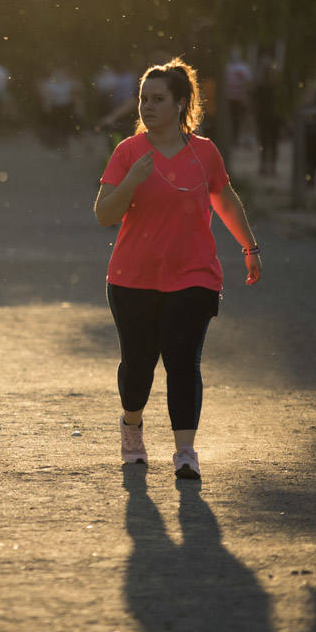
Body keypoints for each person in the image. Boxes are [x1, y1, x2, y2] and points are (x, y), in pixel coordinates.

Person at [93, 58, 261, 479]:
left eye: (158, 99)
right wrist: (132, 179)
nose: (147, 107)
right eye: (143, 99)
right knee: (138, 365)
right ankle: (132, 425)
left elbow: (224, 199)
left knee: (184, 362)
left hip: (194, 276)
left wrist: (249, 246)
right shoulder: (128, 152)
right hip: (133, 278)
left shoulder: (205, 153)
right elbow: (104, 214)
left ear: (181, 103)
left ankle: (185, 451)